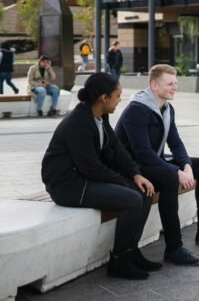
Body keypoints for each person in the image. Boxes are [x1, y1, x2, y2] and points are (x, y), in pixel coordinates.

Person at [115, 64, 199, 267]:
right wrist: (175, 171)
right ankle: (174, 248)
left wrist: (186, 166)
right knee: (170, 177)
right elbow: (141, 152)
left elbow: (176, 142)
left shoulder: (166, 108)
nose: (175, 87)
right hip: (135, 168)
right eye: (170, 83)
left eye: (176, 83)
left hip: (154, 161)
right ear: (154, 85)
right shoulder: (136, 110)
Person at [41, 73, 160, 280]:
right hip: (67, 185)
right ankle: (119, 261)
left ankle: (131, 251)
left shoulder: (99, 116)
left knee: (143, 192)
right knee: (132, 199)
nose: (120, 100)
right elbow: (90, 168)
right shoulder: (79, 123)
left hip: (84, 177)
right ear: (104, 98)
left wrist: (135, 175)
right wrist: (124, 182)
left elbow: (117, 148)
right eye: (117, 95)